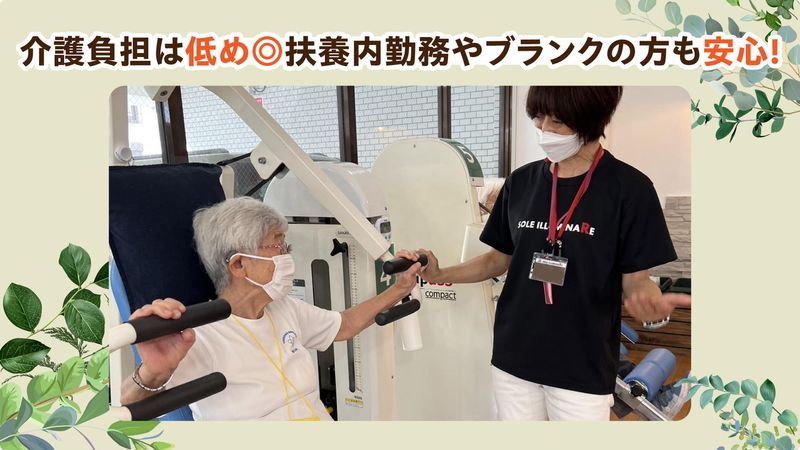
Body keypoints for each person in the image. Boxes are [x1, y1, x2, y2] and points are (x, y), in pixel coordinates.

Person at [408, 86, 691, 421]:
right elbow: (496, 260)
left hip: (582, 368)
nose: (544, 129)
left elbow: (636, 280)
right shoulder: (521, 183)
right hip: (514, 360)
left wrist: (647, 298)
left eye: (557, 121)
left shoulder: (630, 189)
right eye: (538, 118)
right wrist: (441, 274)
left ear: (590, 120)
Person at [120, 197, 421, 421]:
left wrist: (400, 289)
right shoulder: (198, 336)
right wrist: (151, 373)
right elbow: (130, 408)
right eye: (278, 247)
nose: (287, 256)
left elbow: (344, 325)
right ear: (239, 265)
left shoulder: (283, 309)